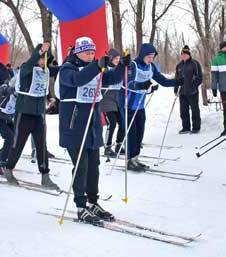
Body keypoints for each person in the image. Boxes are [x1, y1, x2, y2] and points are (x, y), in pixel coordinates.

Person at [58, 37, 124, 223]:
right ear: (78, 52)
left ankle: (93, 202)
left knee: (94, 166)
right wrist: (96, 65)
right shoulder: (67, 68)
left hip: (92, 125)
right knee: (81, 166)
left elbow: (112, 79)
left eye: (93, 53)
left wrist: (121, 67)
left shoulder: (95, 69)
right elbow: (77, 80)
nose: (90, 56)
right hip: (74, 126)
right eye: (87, 53)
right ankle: (81, 205)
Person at [0, 43, 58, 189]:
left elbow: (61, 69)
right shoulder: (27, 68)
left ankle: (45, 176)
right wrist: (40, 52)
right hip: (24, 113)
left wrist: (73, 56)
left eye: (46, 59)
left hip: (39, 115)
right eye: (42, 58)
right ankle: (8, 168)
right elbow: (31, 62)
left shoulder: (45, 71)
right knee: (17, 144)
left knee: (41, 146)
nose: (44, 62)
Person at [120, 43, 178, 171]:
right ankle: (129, 160)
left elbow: (163, 80)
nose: (151, 59)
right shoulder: (133, 65)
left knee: (140, 132)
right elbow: (128, 82)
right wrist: (141, 86)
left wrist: (177, 81)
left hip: (139, 105)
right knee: (131, 133)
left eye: (152, 57)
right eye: (149, 57)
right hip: (127, 105)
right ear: (143, 55)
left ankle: (135, 158)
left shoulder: (150, 67)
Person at [99, 49, 124, 157]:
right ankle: (107, 147)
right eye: (115, 59)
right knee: (112, 122)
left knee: (123, 123)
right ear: (110, 58)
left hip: (117, 98)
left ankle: (119, 144)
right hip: (106, 98)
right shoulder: (106, 68)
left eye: (119, 59)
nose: (117, 61)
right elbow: (107, 78)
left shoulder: (121, 69)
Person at [175, 45, 203, 134]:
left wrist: (194, 85)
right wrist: (176, 88)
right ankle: (186, 127)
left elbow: (199, 77)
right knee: (183, 110)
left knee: (194, 110)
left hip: (192, 91)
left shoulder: (195, 63)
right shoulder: (179, 66)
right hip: (182, 92)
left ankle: (196, 127)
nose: (183, 56)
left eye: (185, 54)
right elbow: (176, 78)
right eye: (182, 54)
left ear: (189, 55)